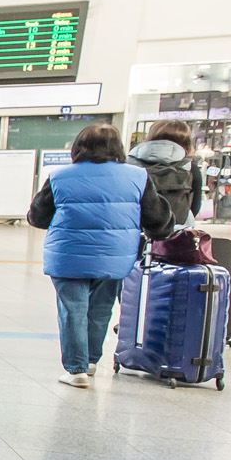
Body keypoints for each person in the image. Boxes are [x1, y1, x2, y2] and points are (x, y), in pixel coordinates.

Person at [29, 122, 172, 388]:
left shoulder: (60, 176)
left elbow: (38, 217)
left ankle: (76, 370)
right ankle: (91, 361)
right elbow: (158, 219)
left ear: (78, 147)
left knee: (73, 310)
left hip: (68, 254)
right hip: (116, 255)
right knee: (101, 309)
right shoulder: (137, 176)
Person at [129, 118, 199, 235]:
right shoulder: (190, 167)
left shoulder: (130, 164)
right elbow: (195, 205)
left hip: (136, 227)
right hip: (177, 230)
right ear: (186, 142)